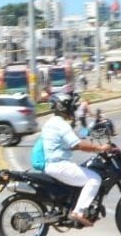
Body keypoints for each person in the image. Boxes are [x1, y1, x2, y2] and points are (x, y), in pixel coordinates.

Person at [39, 92, 113, 227]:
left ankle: (71, 207)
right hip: (60, 165)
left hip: (51, 165)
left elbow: (65, 145)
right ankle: (78, 212)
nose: (72, 109)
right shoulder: (61, 124)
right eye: (70, 106)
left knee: (82, 174)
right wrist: (100, 148)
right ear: (63, 107)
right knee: (94, 179)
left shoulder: (49, 123)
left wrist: (86, 146)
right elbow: (77, 144)